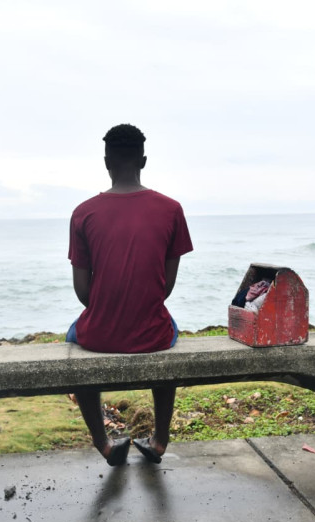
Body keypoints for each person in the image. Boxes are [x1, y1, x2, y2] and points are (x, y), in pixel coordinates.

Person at [66, 123, 193, 466]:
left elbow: (83, 292)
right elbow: (164, 287)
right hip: (152, 334)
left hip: (98, 334)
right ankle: (161, 441)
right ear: (144, 161)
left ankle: (104, 444)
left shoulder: (83, 213)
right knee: (168, 331)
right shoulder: (171, 209)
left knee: (72, 339)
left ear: (106, 162)